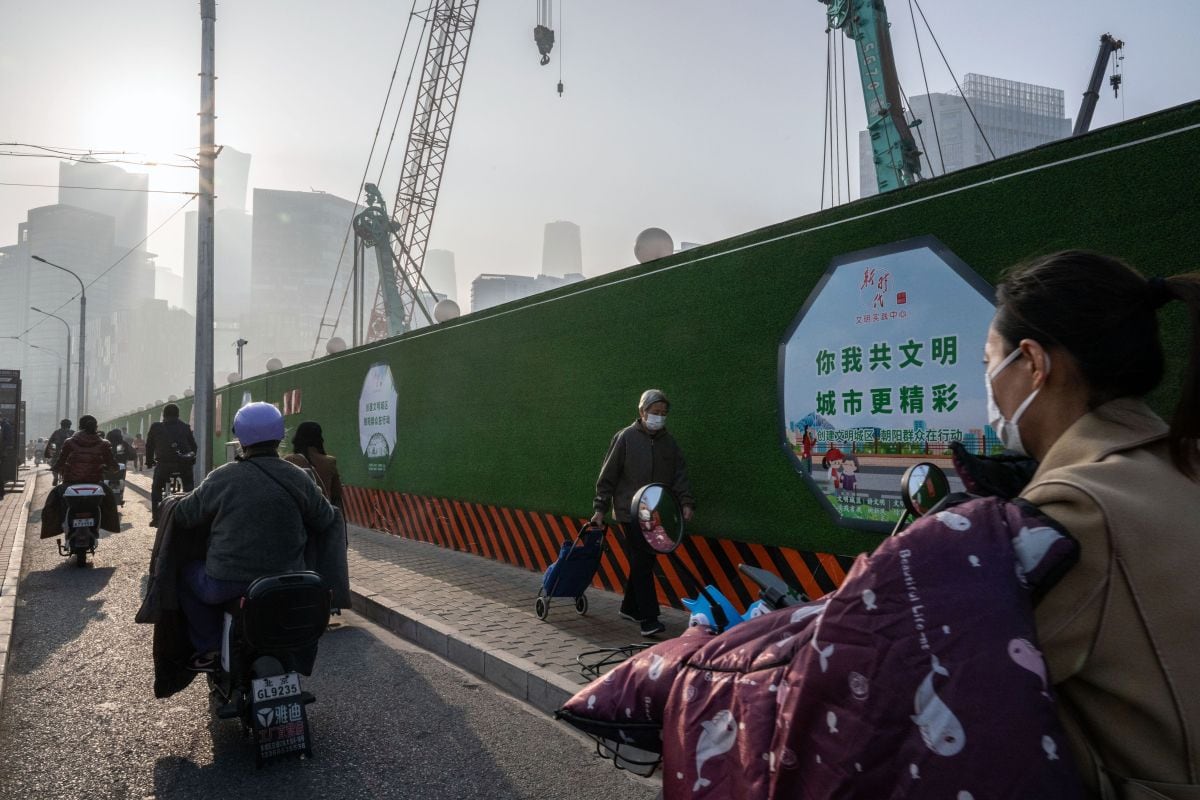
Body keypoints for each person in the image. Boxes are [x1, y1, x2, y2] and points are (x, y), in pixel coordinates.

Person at [985, 251, 1200, 797]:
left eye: (989, 359)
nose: (987, 383)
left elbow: (959, 681)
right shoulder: (1181, 462)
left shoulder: (1072, 513)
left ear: (1033, 363)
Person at [170, 402, 337, 672]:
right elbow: (325, 518)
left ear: (240, 439)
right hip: (288, 579)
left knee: (187, 577)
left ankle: (211, 648)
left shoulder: (222, 477)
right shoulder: (299, 478)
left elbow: (185, 515)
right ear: (280, 437)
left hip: (226, 582)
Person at [591, 389, 694, 638]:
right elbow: (608, 476)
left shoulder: (668, 443)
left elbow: (679, 474)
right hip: (630, 511)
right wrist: (600, 509)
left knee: (644, 561)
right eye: (654, 412)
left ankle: (630, 608)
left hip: (654, 512)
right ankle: (649, 619)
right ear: (642, 411)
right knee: (642, 562)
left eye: (663, 414)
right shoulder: (625, 438)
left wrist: (686, 502)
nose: (658, 417)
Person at [145, 403, 198, 524]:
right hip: (183, 464)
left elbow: (149, 446)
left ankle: (156, 517)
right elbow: (194, 447)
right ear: (178, 414)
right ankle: (190, 512)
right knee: (189, 486)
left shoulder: (156, 427)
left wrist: (149, 461)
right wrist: (191, 460)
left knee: (157, 487)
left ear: (164, 415)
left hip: (164, 464)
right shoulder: (185, 427)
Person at [283, 421, 343, 508]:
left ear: (297, 439)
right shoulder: (330, 462)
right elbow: (337, 494)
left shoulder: (288, 461)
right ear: (320, 438)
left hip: (298, 516)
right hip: (322, 516)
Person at [44, 419, 74, 487]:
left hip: (58, 453)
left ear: (61, 425)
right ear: (70, 425)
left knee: (54, 465)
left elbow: (50, 443)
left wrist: (47, 453)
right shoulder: (73, 433)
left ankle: (55, 477)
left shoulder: (56, 432)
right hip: (70, 455)